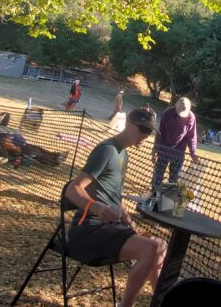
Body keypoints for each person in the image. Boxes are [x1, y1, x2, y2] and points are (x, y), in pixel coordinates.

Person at [65, 108, 167, 307]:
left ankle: (160, 302)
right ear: (128, 125)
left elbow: (114, 195)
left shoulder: (123, 154)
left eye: (150, 132)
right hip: (88, 229)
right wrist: (97, 208)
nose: (146, 136)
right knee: (152, 248)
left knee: (161, 245)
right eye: (143, 130)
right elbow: (72, 189)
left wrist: (127, 219)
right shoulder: (107, 150)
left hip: (111, 228)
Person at [151, 97, 199, 187]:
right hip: (163, 149)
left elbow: (191, 136)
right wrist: (155, 150)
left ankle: (169, 198)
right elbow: (159, 133)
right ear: (176, 106)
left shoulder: (191, 117)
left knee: (174, 179)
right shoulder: (167, 113)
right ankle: (154, 194)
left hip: (178, 152)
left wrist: (193, 153)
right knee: (157, 176)